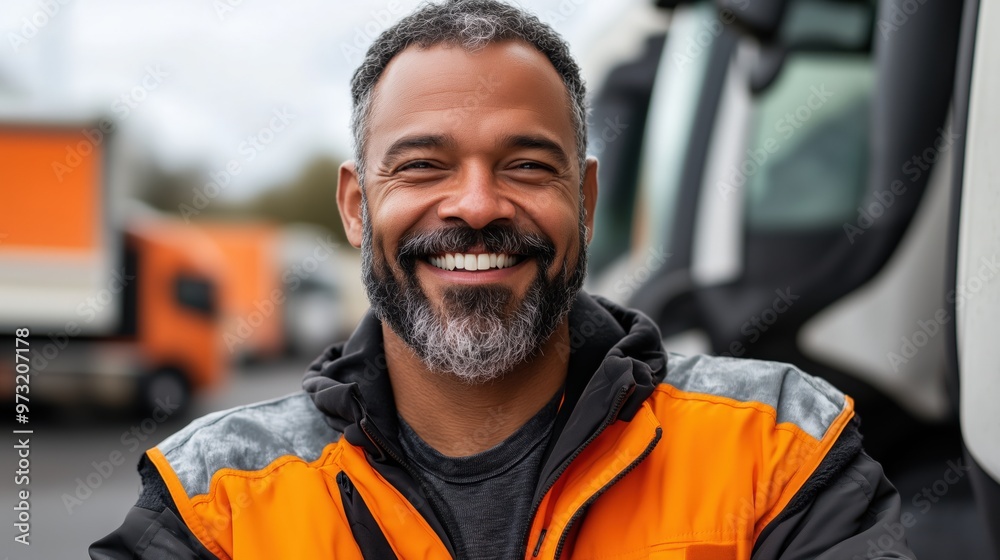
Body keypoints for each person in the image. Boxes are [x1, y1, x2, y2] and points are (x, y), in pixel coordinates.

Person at [91, 1, 915, 558]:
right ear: (355, 204)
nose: (478, 206)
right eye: (422, 165)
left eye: (526, 164)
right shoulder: (216, 506)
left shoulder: (778, 452)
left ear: (585, 201)